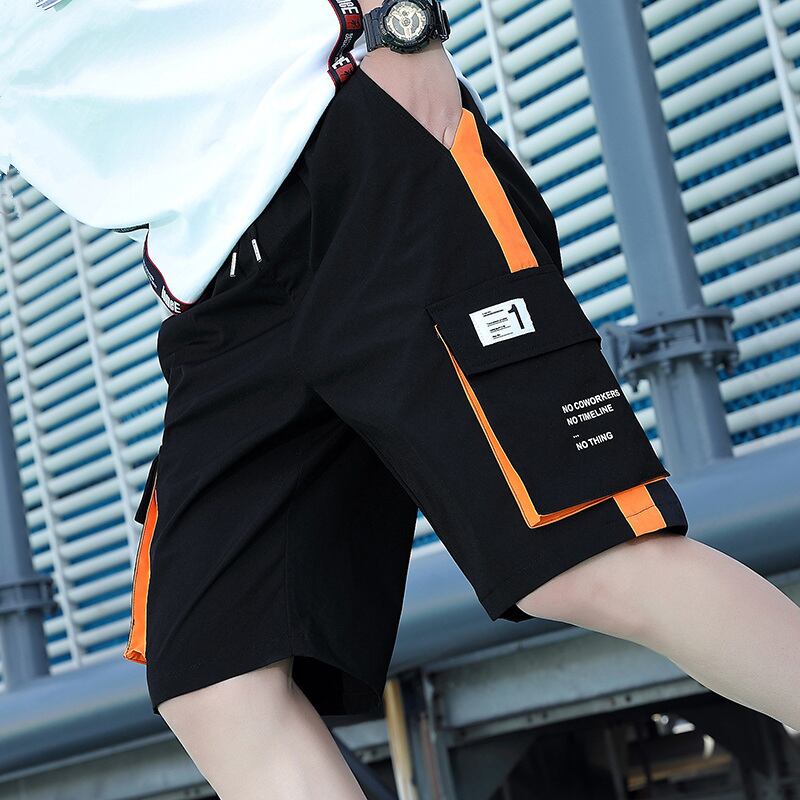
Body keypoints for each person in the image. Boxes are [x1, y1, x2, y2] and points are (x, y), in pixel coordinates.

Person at [2, 1, 799, 797]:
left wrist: (403, 26)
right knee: (213, 678)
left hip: (352, 147)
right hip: (214, 280)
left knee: (583, 555)